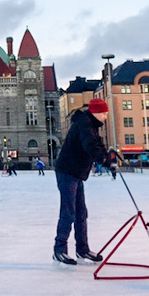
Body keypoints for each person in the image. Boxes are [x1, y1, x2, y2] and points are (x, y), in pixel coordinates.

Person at [52, 101, 110, 266]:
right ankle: (59, 250)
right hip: (67, 171)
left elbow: (98, 144)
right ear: (95, 112)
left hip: (76, 173)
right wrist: (103, 160)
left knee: (81, 213)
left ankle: (82, 249)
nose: (105, 117)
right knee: (69, 212)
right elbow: (90, 145)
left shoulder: (90, 124)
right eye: (104, 113)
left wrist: (108, 157)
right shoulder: (84, 124)